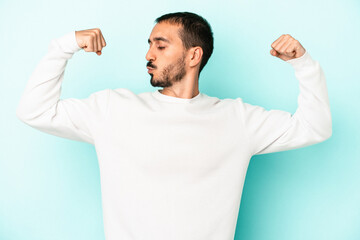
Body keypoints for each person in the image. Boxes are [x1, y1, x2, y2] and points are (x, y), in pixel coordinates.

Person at [16, 12, 332, 240]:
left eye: (161, 45)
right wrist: (64, 46)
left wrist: (302, 63)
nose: (148, 55)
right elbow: (35, 111)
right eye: (150, 44)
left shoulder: (238, 119)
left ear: (194, 55)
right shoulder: (113, 108)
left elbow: (315, 127)